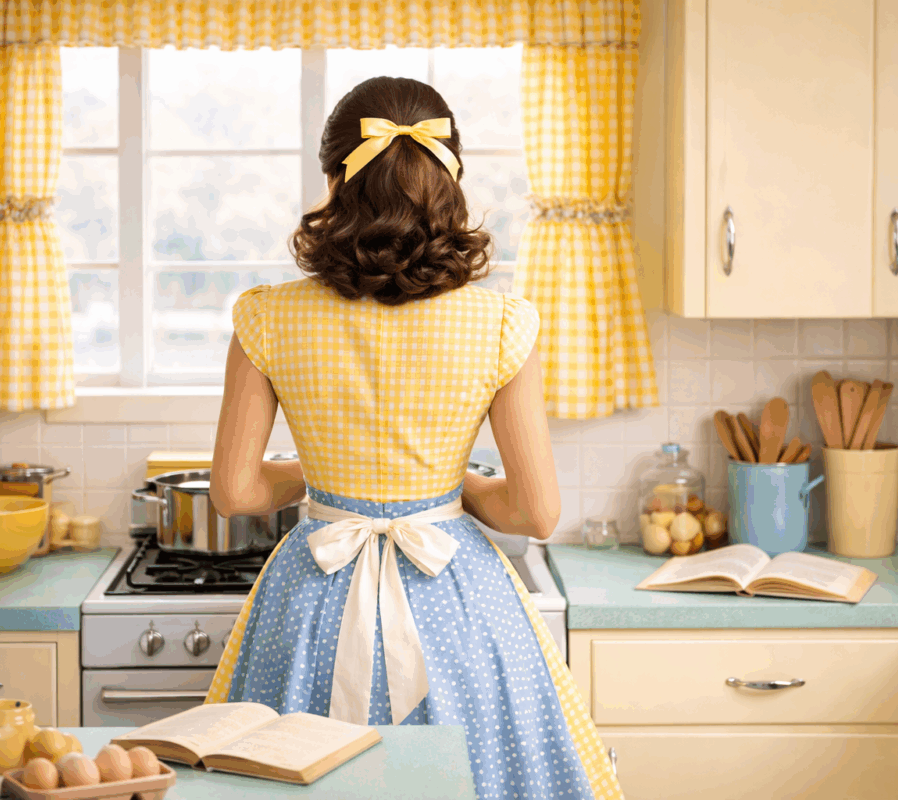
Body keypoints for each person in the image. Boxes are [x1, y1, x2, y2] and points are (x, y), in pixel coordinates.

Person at [205, 76, 621, 799]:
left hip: (311, 598)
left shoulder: (266, 316)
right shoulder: (501, 323)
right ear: (449, 181)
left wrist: (327, 478)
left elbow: (236, 493)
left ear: (334, 182)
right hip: (458, 604)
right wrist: (448, 485)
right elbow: (536, 513)